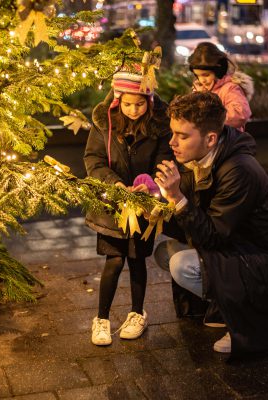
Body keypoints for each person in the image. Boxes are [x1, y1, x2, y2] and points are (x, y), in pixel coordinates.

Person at [153, 91, 268, 355]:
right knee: (165, 252)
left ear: (211, 138)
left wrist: (177, 196)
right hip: (239, 248)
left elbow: (213, 236)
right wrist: (155, 211)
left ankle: (247, 321)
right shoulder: (197, 159)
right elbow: (190, 227)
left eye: (183, 135)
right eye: (173, 133)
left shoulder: (239, 169)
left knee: (182, 265)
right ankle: (225, 307)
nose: (172, 142)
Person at [84, 70, 173, 346]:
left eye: (140, 104)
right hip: (112, 206)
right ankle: (101, 318)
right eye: (128, 104)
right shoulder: (104, 124)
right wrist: (114, 185)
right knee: (113, 260)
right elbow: (94, 160)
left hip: (143, 207)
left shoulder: (158, 127)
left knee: (137, 261)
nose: (134, 110)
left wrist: (151, 186)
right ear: (118, 101)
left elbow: (165, 160)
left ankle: (136, 313)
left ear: (149, 101)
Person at [188, 42, 253, 131]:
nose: (202, 80)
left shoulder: (230, 89)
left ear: (219, 71)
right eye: (198, 75)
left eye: (206, 75)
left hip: (227, 141)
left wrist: (208, 118)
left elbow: (240, 114)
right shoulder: (199, 90)